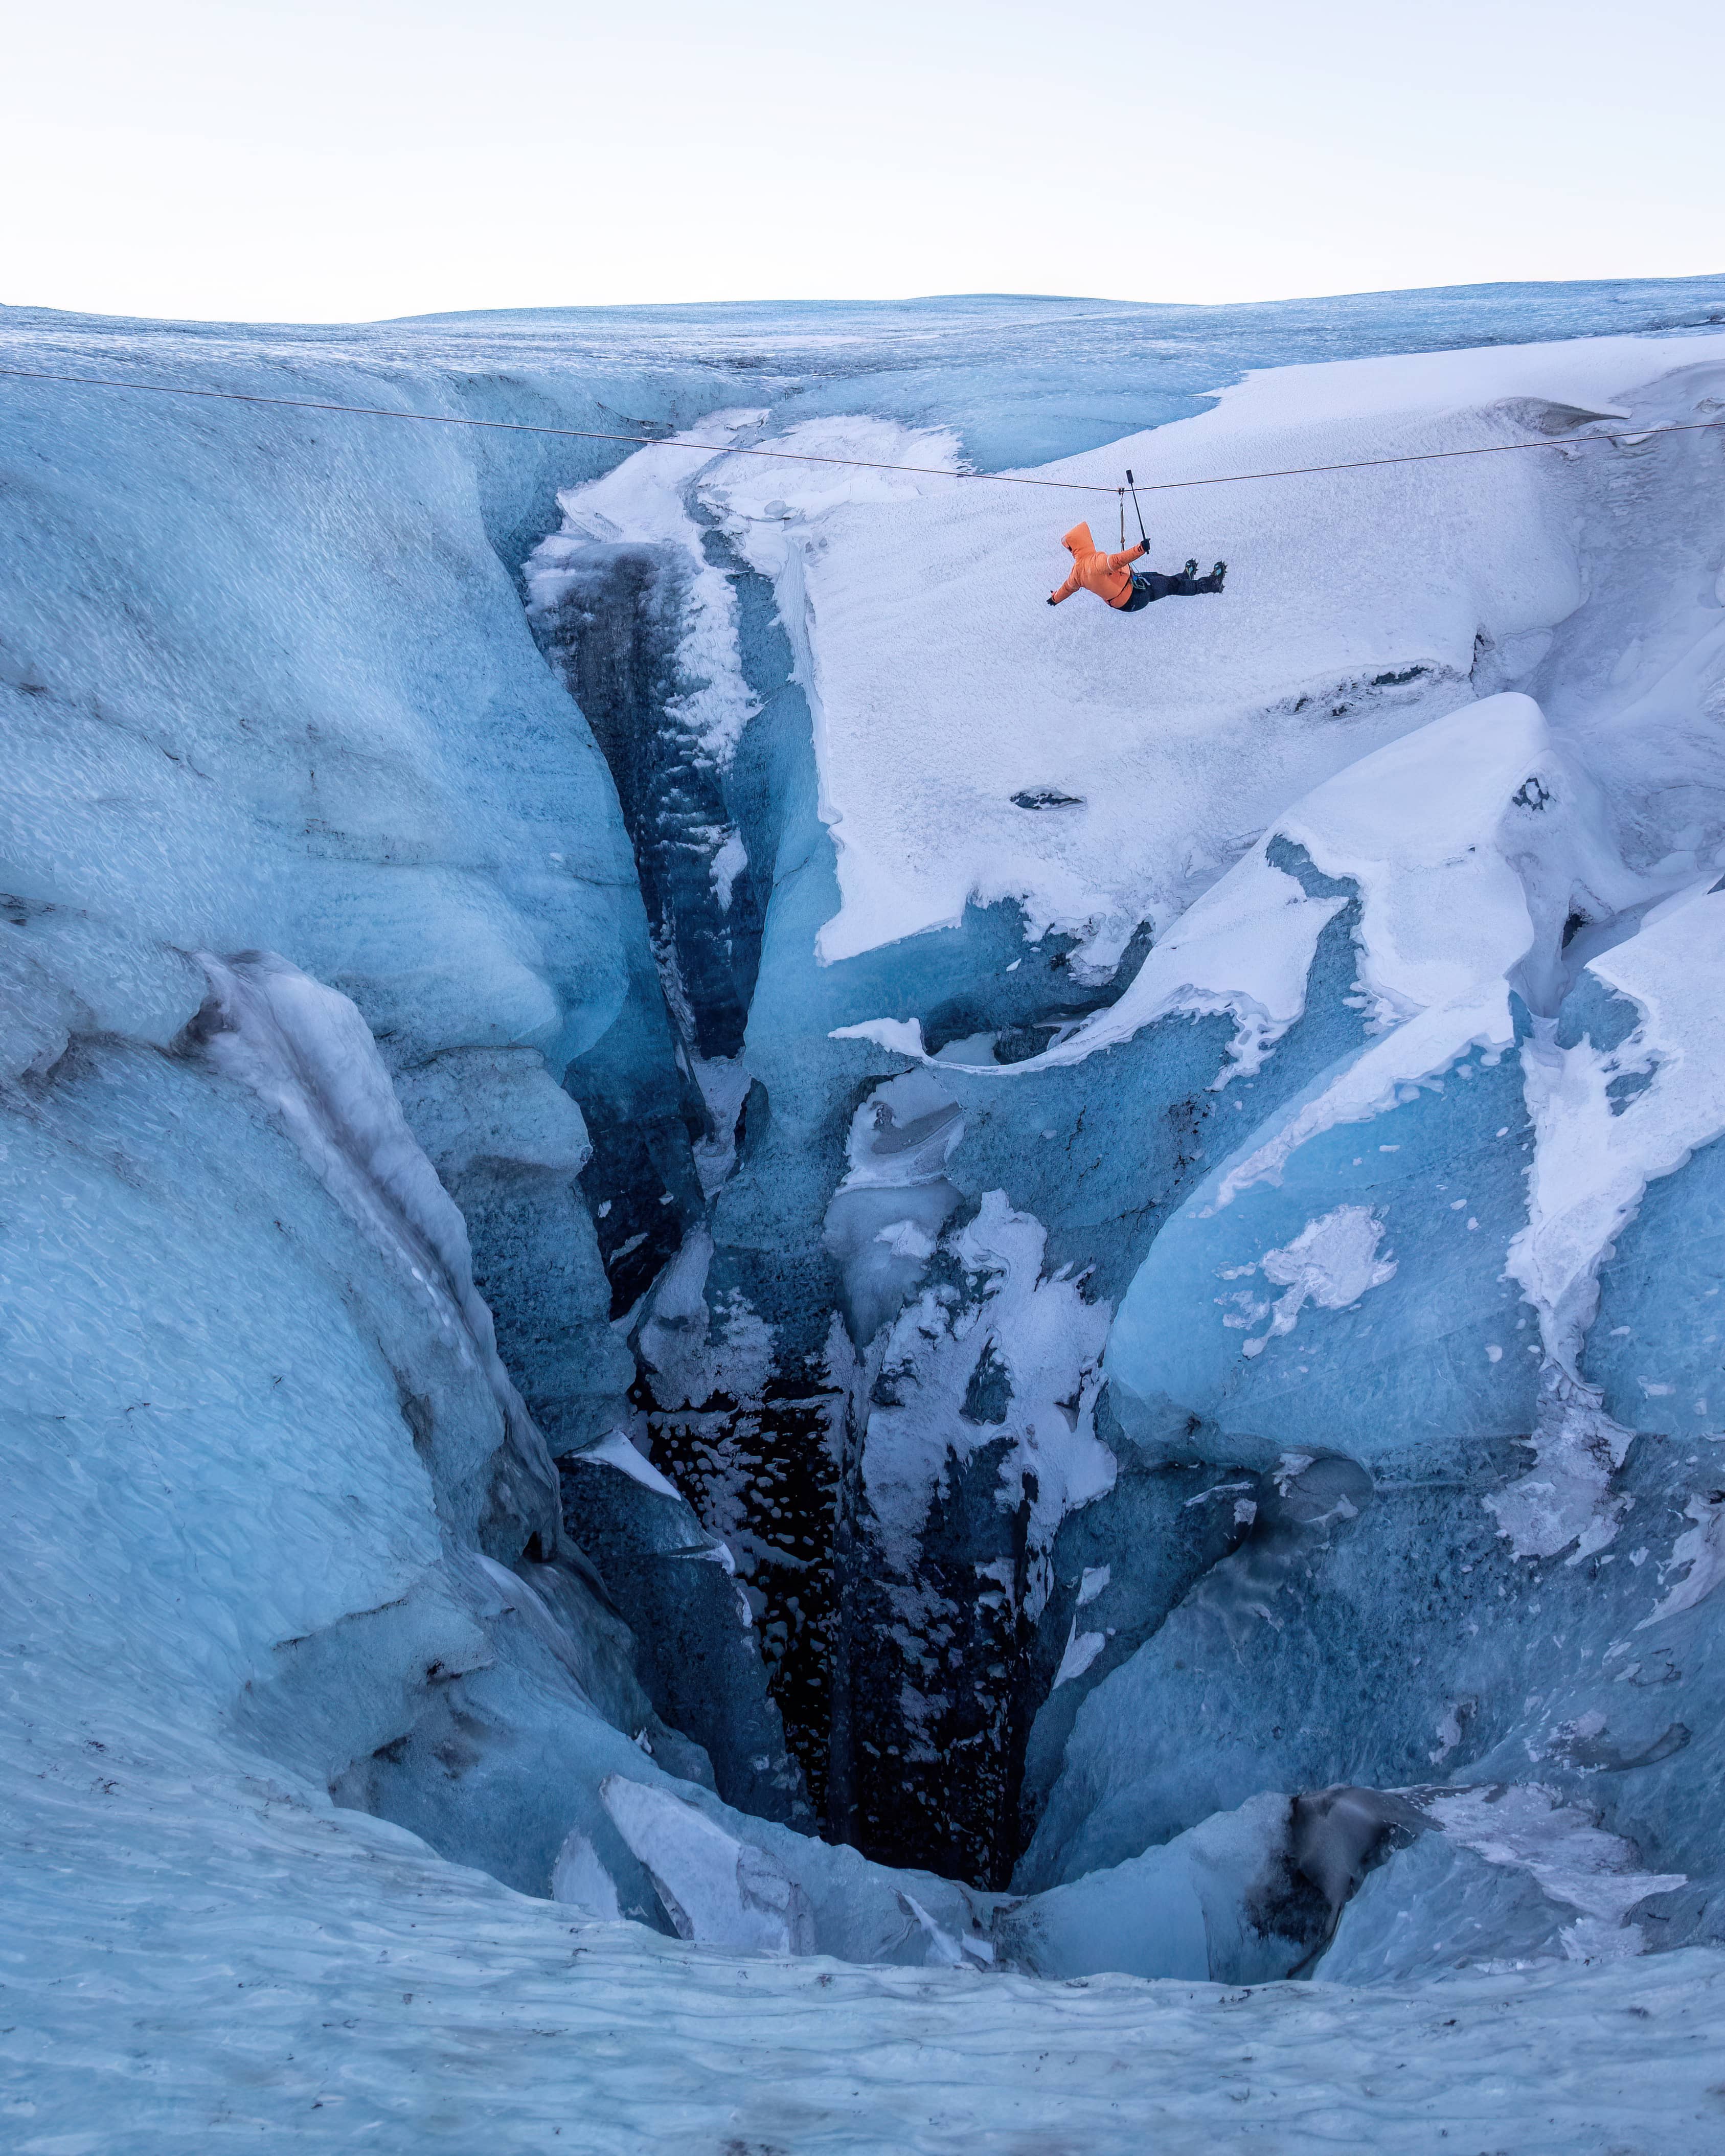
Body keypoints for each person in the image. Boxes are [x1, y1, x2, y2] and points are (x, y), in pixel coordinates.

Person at [1047, 521, 1227, 612]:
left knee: (1159, 577)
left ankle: (1185, 577)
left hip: (1127, 595)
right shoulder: (1095, 562)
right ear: (1086, 542)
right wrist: (1140, 549)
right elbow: (1117, 561)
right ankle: (1211, 585)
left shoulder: (1077, 572)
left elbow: (1067, 589)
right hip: (1135, 596)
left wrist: (1055, 599)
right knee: (1171, 587)